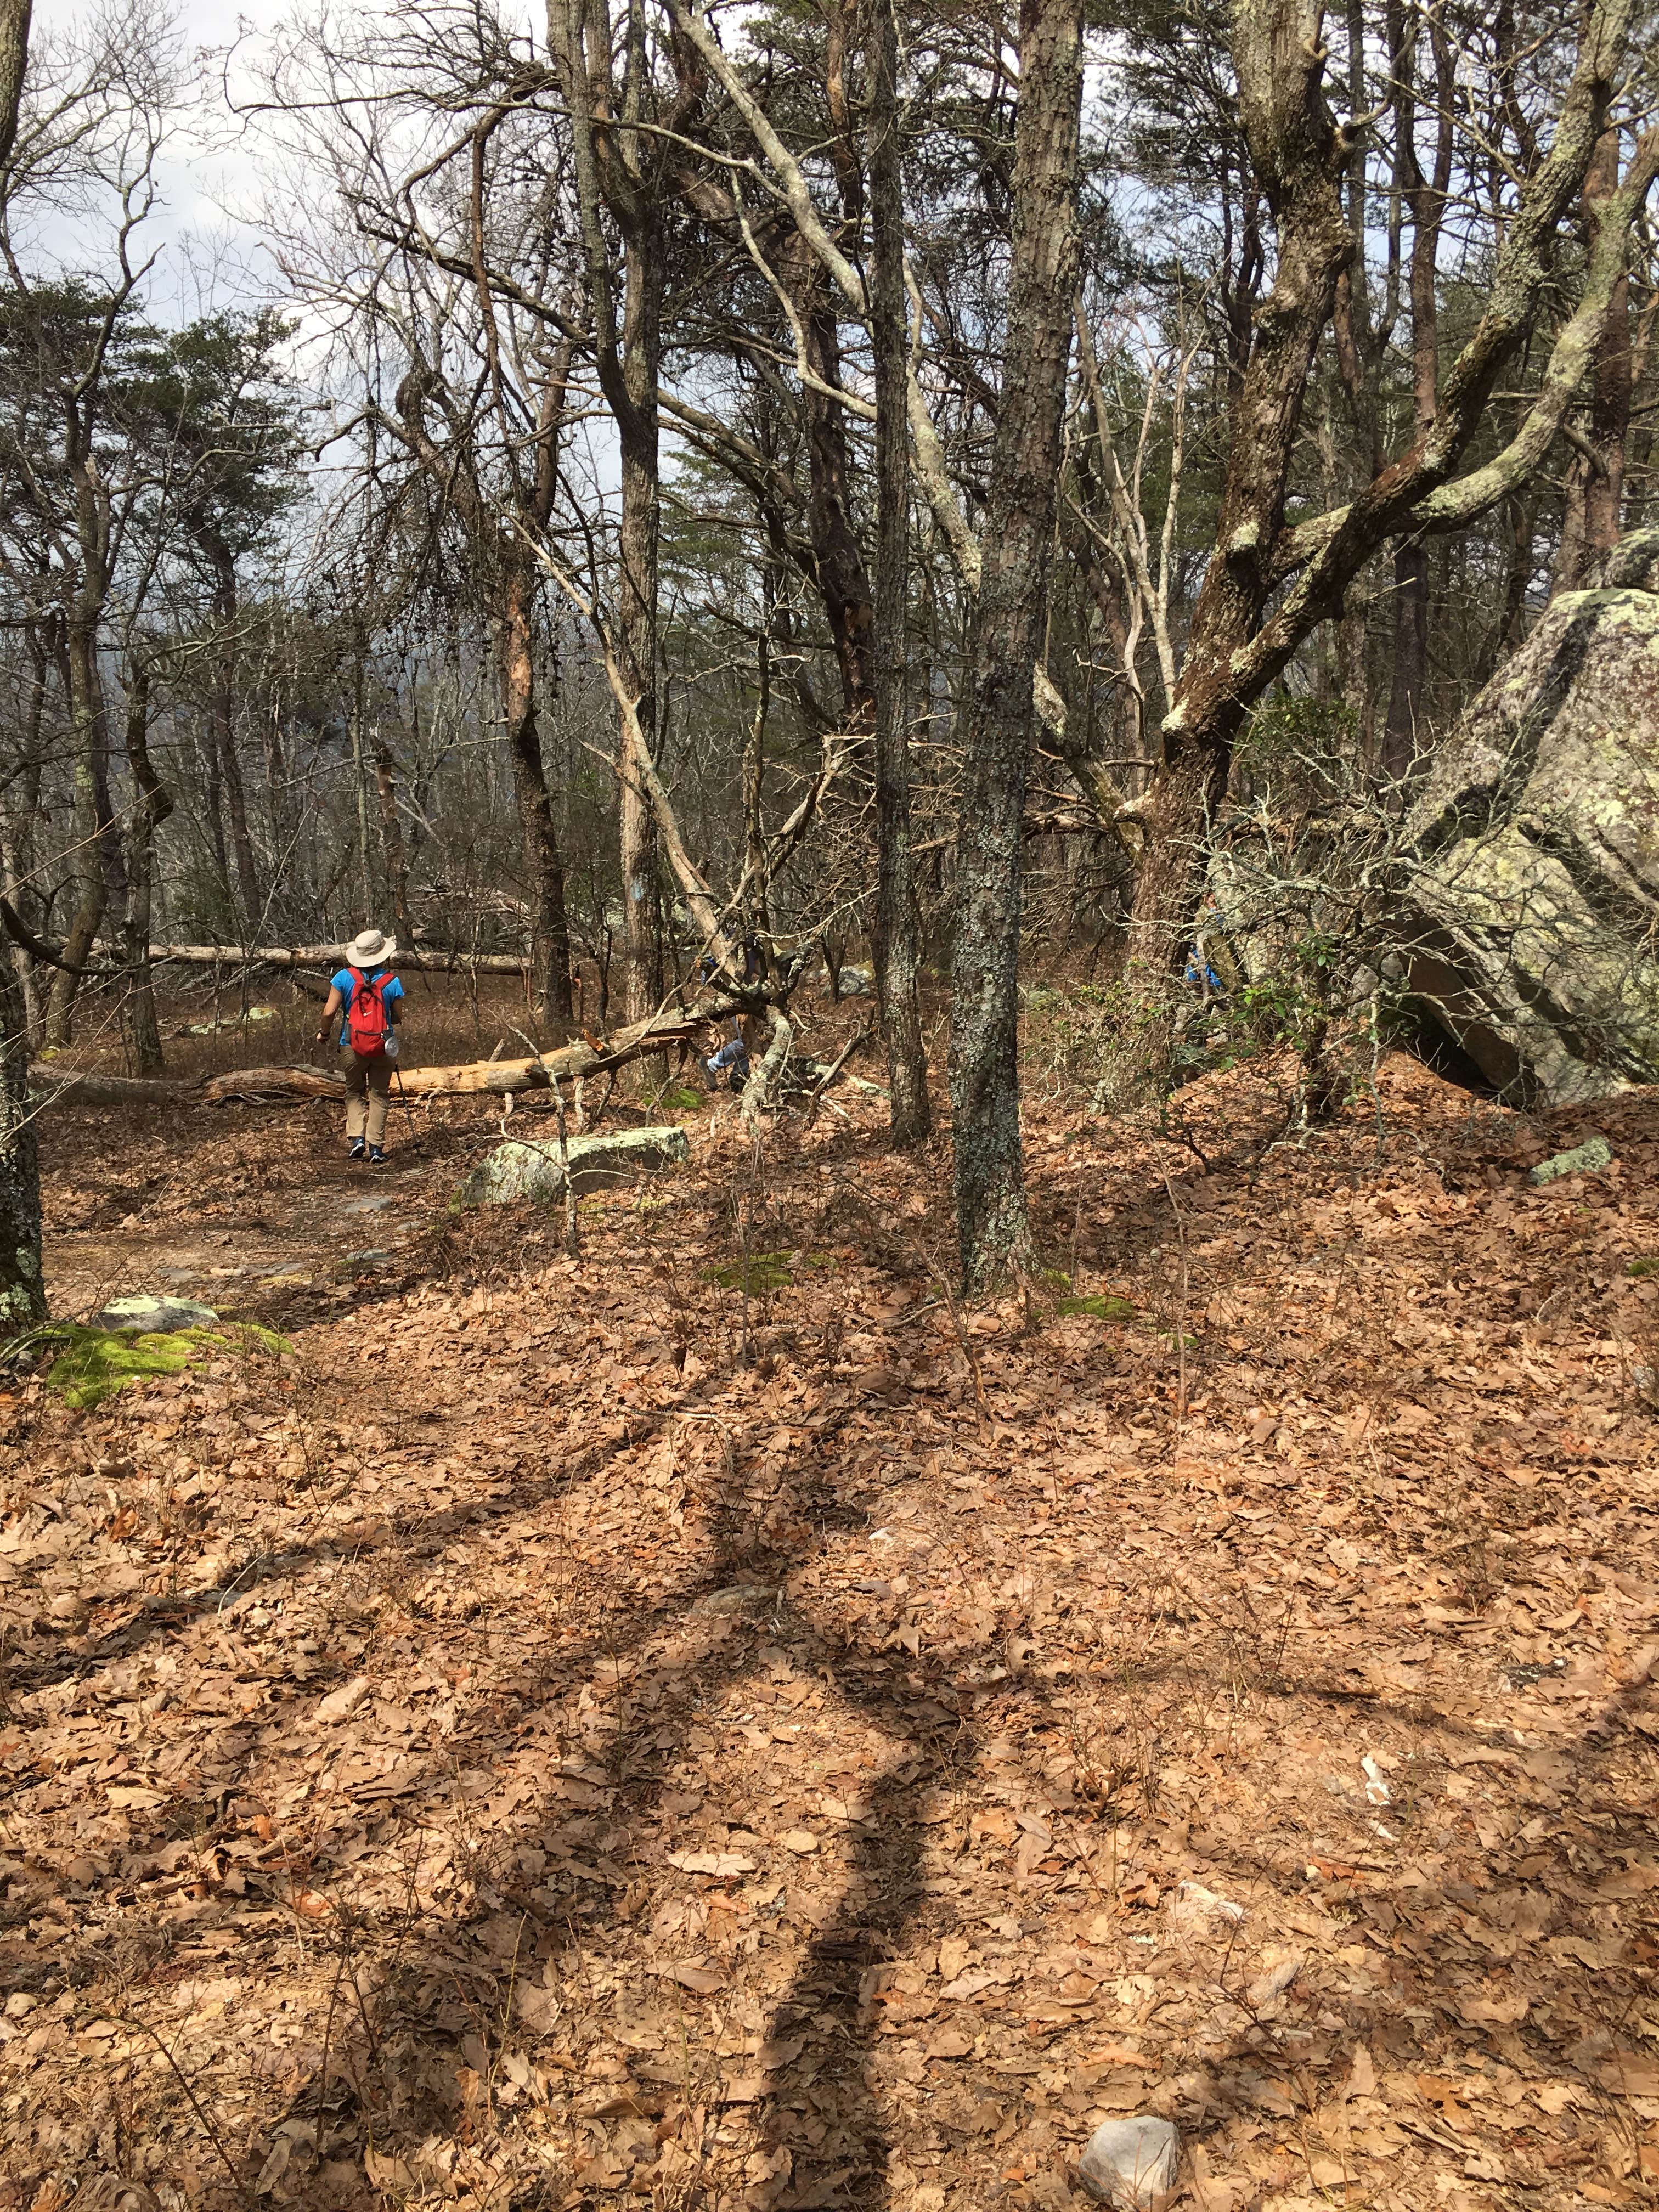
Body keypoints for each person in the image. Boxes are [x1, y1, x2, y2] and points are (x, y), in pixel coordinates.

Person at [316, 928, 406, 1165]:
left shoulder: (343, 978)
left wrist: (324, 1033)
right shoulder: (392, 981)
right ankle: (375, 1147)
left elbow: (328, 1012)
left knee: (354, 1091)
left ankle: (357, 1138)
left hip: (351, 1045)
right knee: (379, 1094)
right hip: (383, 1046)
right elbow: (398, 1017)